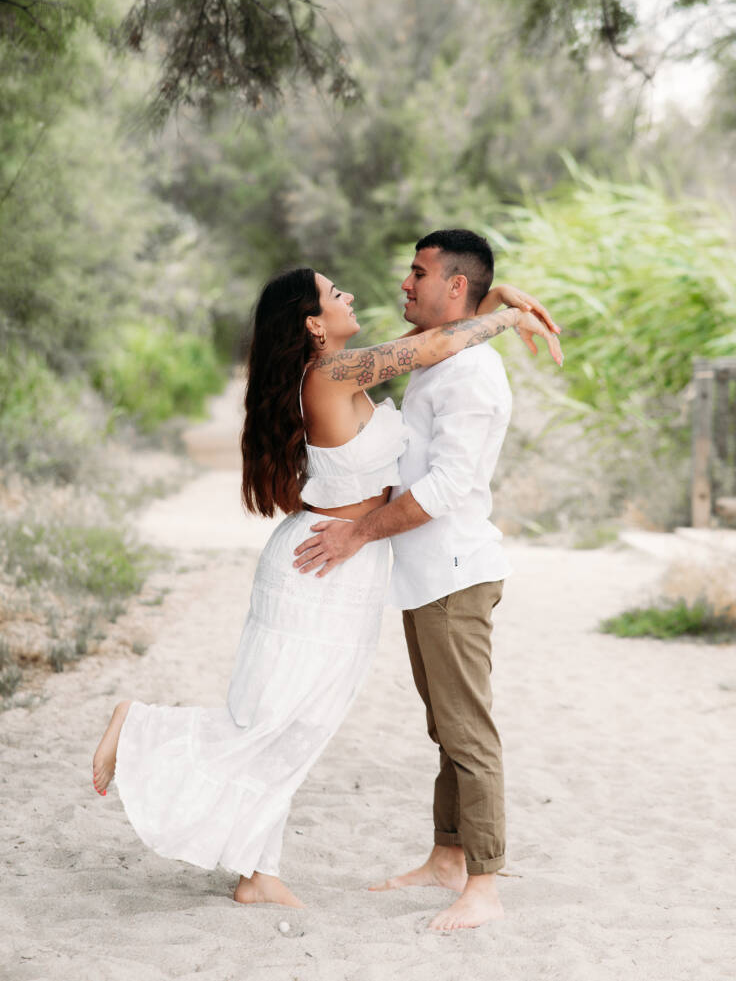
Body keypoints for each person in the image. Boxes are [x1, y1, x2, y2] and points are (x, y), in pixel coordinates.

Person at [91, 264, 558, 909]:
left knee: (304, 724)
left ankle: (259, 872)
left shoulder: (341, 372)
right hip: (319, 568)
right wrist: (506, 311)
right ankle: (138, 726)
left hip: (348, 569)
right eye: (336, 294)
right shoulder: (334, 374)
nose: (352, 295)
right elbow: (433, 346)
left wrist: (488, 299)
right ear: (314, 324)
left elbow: (440, 344)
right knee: (274, 719)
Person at [292, 230, 561, 930]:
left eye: (419, 273)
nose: (404, 284)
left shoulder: (473, 373)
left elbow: (445, 487)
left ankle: (484, 882)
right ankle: (447, 855)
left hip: (452, 574)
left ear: (454, 287)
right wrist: (496, 302)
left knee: (469, 731)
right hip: (422, 575)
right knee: (445, 725)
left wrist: (356, 531)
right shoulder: (445, 357)